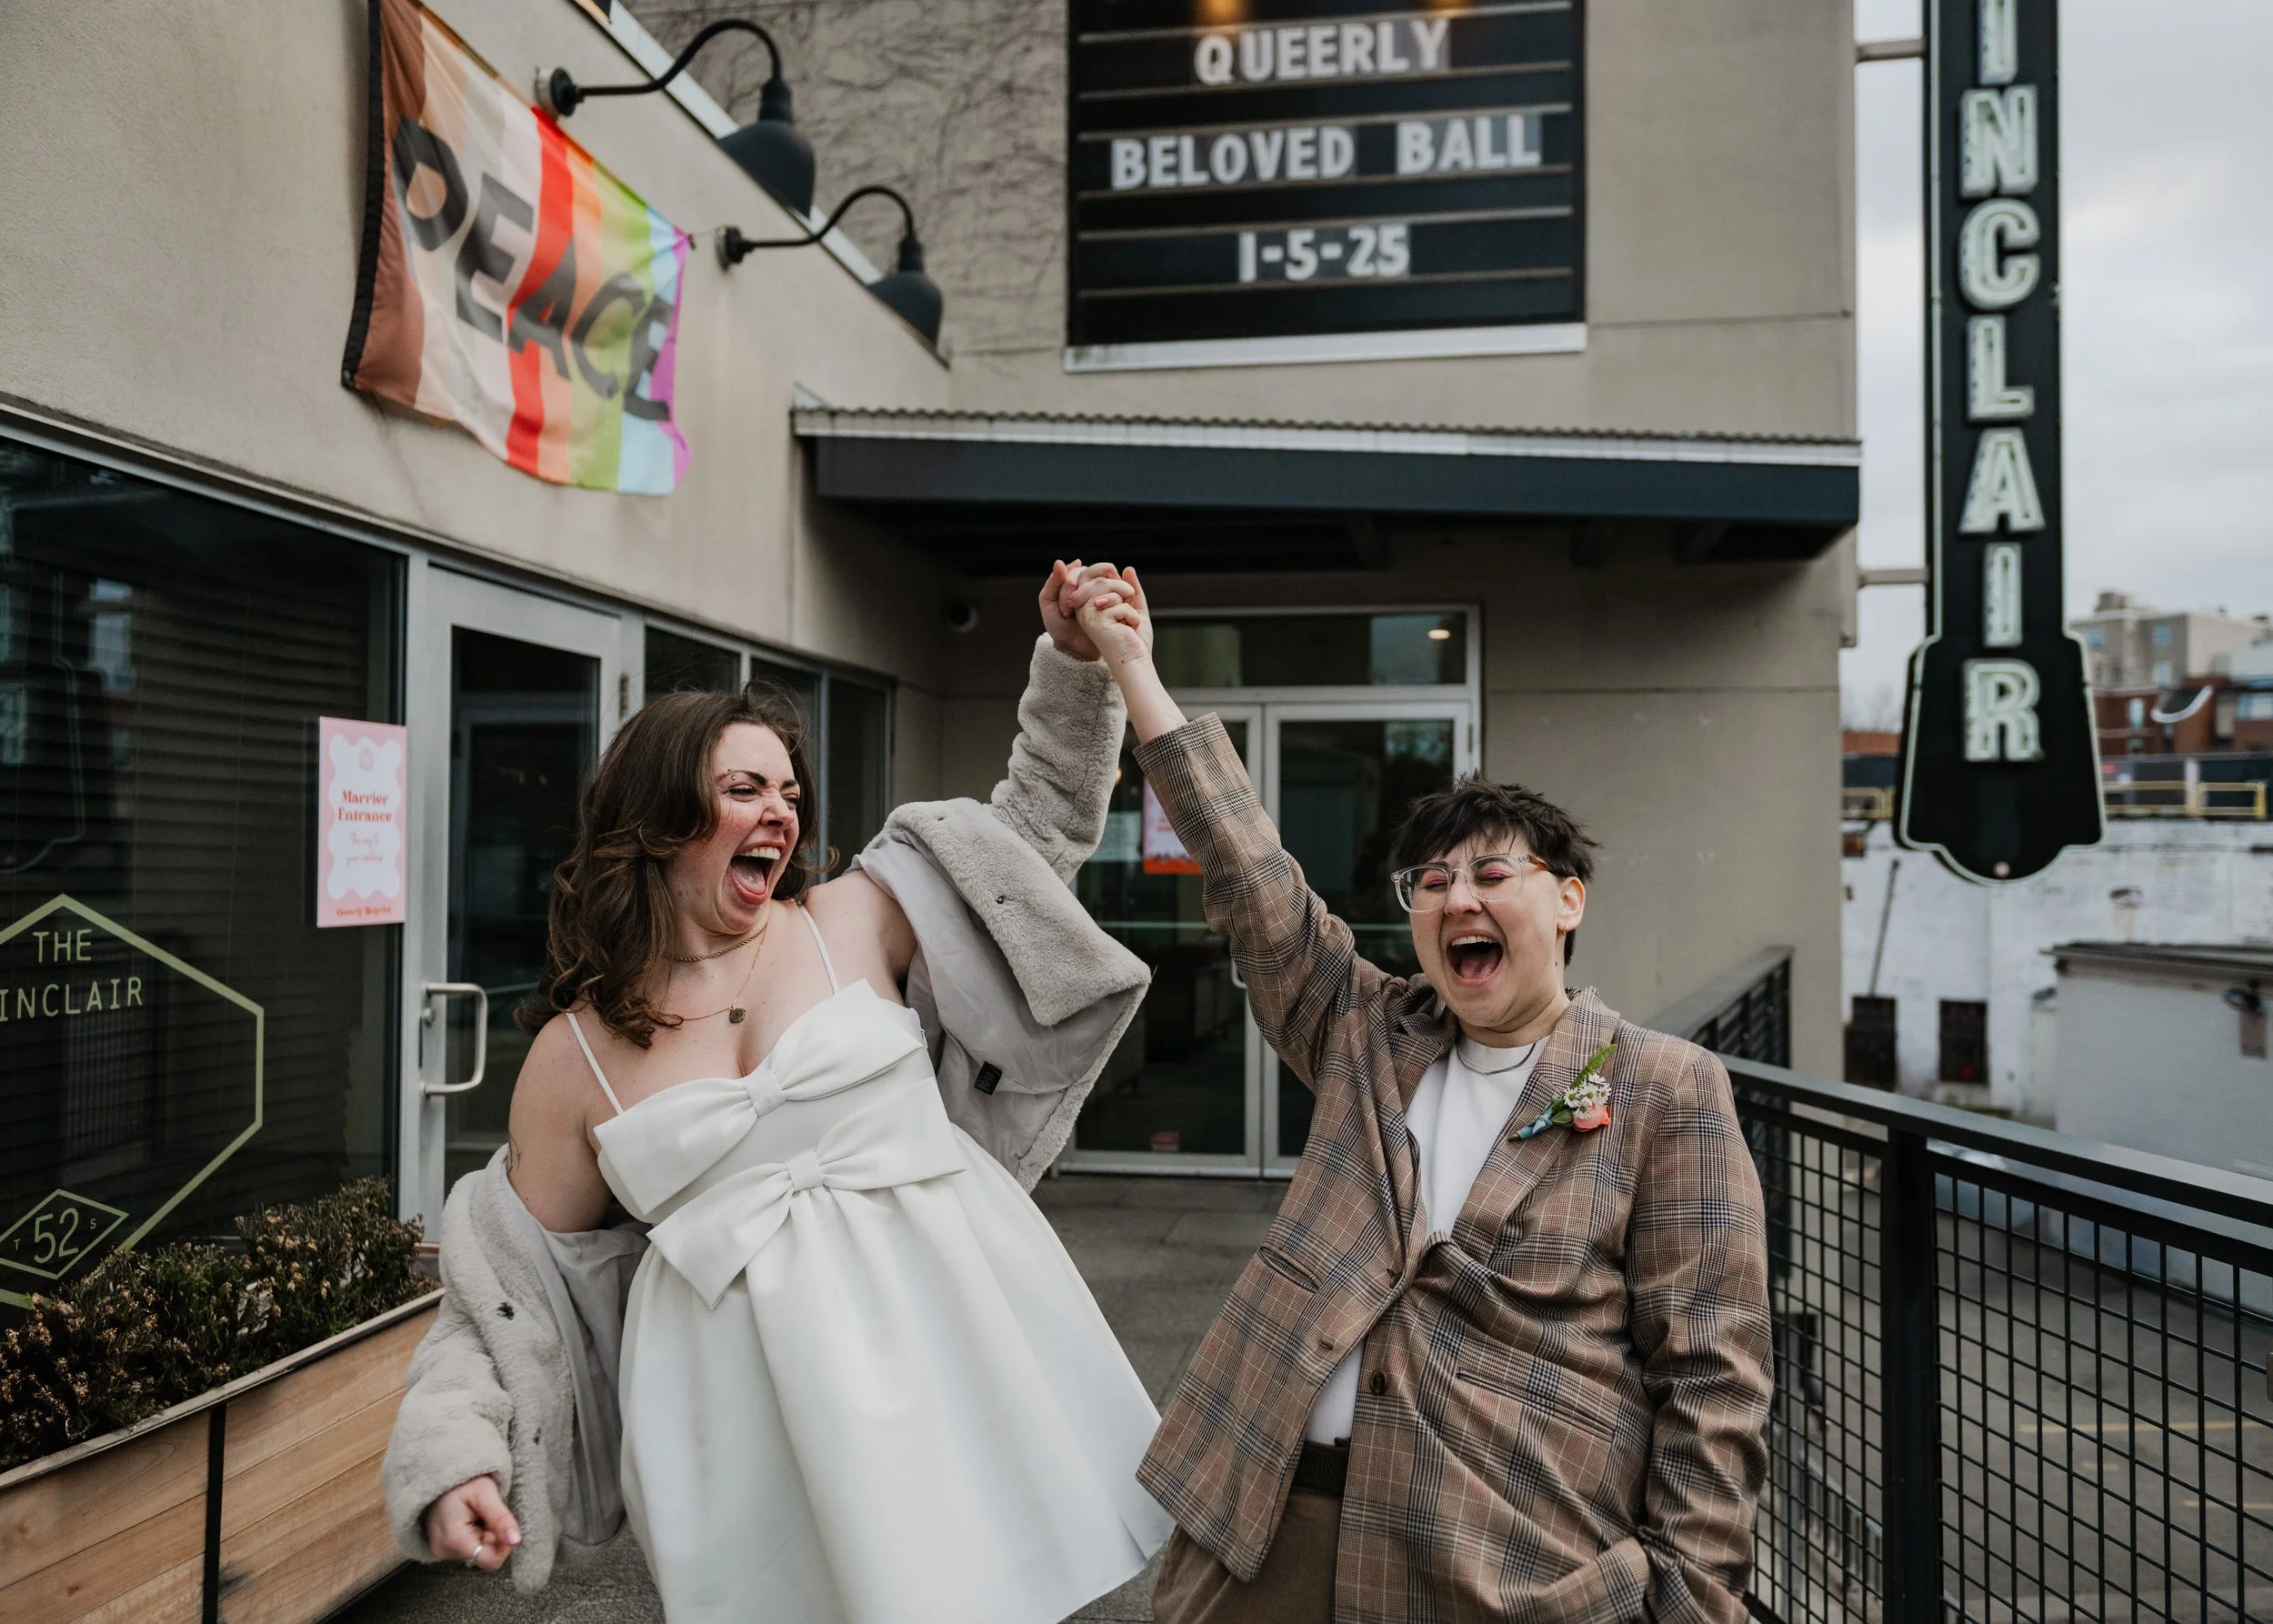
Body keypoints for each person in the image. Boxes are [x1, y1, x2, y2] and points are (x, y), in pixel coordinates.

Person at [384, 564, 1173, 1624]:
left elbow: (1031, 835)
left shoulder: (857, 915)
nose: (779, 814)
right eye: (743, 789)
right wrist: (457, 1454)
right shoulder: (575, 1057)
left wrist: (1077, 670)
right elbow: (503, 1297)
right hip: (744, 1425)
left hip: (944, 1336)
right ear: (660, 820)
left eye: (789, 793)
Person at [1070, 574, 1773, 1624]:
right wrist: (1132, 667)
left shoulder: (1663, 1088)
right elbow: (1249, 871)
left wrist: (1688, 1603)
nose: (1458, 898)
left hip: (1497, 1564)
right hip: (1264, 1526)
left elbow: (1711, 1378)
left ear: (1567, 897)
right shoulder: (1366, 1032)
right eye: (1432, 882)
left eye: (1492, 873)